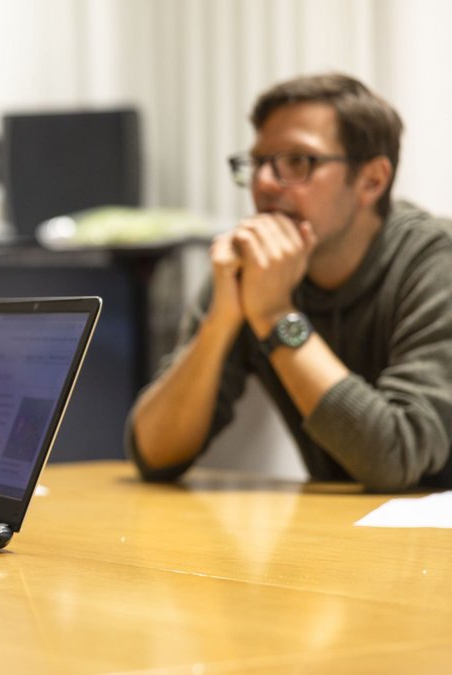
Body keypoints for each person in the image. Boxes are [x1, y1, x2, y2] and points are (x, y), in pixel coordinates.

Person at [127, 73, 452, 491]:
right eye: (259, 161)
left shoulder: (434, 262)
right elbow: (154, 454)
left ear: (372, 180)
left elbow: (396, 459)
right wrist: (221, 324)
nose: (264, 182)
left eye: (298, 161)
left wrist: (276, 314)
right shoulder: (257, 264)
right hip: (338, 534)